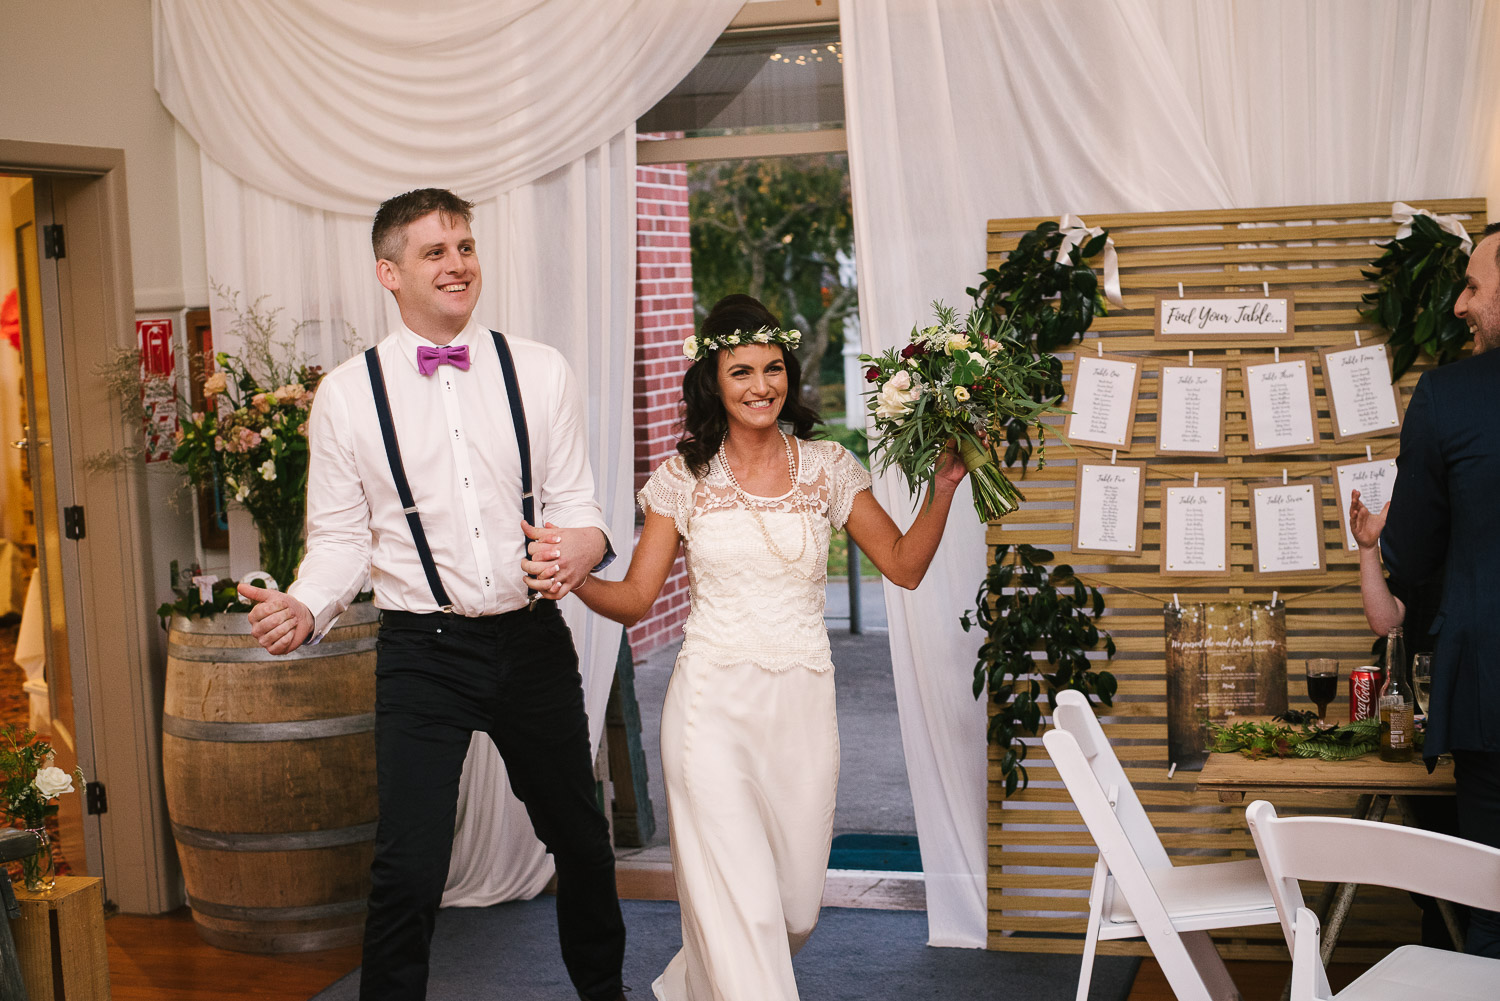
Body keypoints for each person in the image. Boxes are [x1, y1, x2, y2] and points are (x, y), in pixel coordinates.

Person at [237, 188, 628, 1001]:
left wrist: (580, 548)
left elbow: (580, 507)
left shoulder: (539, 368)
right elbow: (343, 539)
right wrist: (306, 607)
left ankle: (606, 993)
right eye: (434, 251)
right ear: (389, 273)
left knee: (583, 840)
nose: (457, 264)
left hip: (531, 639)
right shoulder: (347, 395)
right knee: (408, 867)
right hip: (423, 651)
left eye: (465, 247)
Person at [523, 294, 966, 1001]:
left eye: (772, 368)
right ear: (713, 382)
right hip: (711, 708)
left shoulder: (828, 466)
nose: (761, 385)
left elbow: (906, 566)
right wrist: (572, 579)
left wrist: (943, 489)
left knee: (792, 908)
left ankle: (687, 987)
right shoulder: (683, 478)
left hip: (801, 705)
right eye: (741, 372)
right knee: (749, 911)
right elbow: (636, 599)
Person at [1379, 220, 1500, 959]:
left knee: (1492, 907)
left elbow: (1412, 554)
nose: (1459, 306)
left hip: (1490, 693)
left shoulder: (1448, 396)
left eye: (1475, 287)